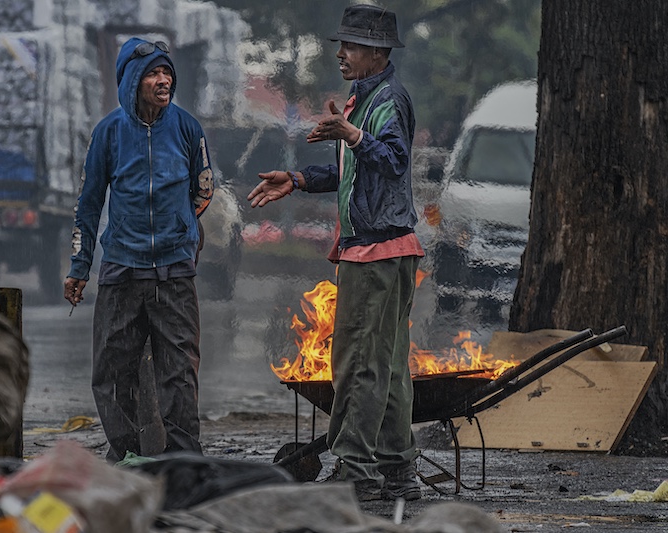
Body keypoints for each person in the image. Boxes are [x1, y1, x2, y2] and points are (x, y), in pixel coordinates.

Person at [248, 4, 422, 501]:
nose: (341, 54)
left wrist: (352, 134)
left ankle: (356, 471)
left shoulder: (388, 100)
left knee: (358, 365)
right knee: (385, 365)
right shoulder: (361, 99)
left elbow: (391, 161)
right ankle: (396, 470)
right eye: (340, 45)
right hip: (386, 252)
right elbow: (352, 171)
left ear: (376, 52)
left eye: (350, 46)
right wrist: (299, 179)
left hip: (375, 254)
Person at [64, 37, 213, 462]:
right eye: (153, 73)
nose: (164, 80)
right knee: (112, 374)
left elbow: (204, 189)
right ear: (132, 80)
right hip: (121, 272)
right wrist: (79, 265)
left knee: (180, 374)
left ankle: (184, 461)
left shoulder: (187, 128)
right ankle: (126, 457)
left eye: (167, 72)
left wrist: (181, 226)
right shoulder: (108, 133)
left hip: (174, 274)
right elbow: (88, 204)